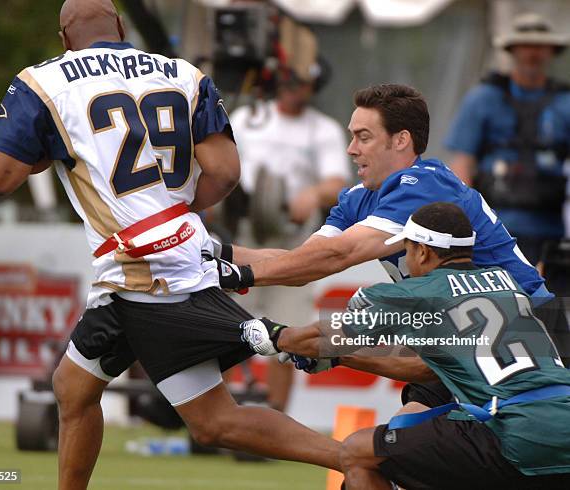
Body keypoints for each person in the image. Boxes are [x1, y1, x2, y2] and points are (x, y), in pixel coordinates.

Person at [0, 1, 344, 488]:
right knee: (76, 390)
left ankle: (353, 456)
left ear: (64, 38)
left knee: (219, 416)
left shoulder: (44, 81)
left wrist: (39, 151)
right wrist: (179, 214)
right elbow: (226, 173)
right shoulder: (182, 74)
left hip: (144, 271)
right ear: (123, 28)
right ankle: (354, 449)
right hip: (158, 257)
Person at [215, 82, 568, 409]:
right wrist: (217, 253)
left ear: (401, 140)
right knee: (395, 443)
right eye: (352, 137)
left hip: (530, 334)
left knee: (405, 450)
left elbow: (338, 254)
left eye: (363, 137)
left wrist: (235, 276)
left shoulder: (424, 185)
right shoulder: (358, 197)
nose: (351, 149)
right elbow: (302, 261)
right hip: (471, 338)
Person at [249, 202, 570, 490]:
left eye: (407, 248)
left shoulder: (417, 291)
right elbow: (422, 366)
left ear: (423, 252)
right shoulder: (506, 282)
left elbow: (326, 335)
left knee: (357, 451)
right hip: (561, 418)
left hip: (515, 429)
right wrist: (341, 358)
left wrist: (277, 335)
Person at [229, 41, 350, 410]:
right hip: (243, 232)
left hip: (293, 240)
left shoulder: (322, 130)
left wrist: (311, 195)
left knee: (287, 327)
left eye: (302, 81)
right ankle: (213, 413)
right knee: (219, 319)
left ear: (313, 85)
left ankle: (274, 417)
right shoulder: (247, 120)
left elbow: (337, 183)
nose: (294, 87)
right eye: (289, 79)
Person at [445, 12, 570, 265]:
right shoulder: (483, 98)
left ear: (551, 51)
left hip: (553, 230)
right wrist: (464, 223)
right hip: (494, 227)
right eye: (525, 46)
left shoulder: (565, 101)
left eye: (539, 46)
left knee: (551, 303)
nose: (531, 54)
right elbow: (462, 164)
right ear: (512, 50)